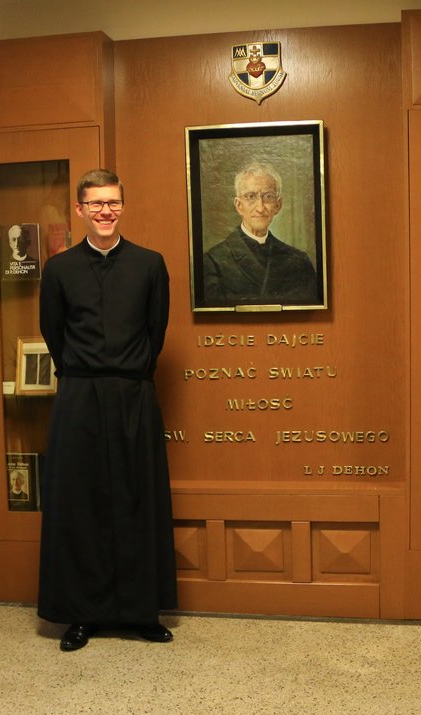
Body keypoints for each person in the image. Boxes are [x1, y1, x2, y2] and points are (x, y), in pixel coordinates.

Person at [37, 169, 177, 652]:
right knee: (81, 503)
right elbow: (54, 334)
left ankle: (141, 612)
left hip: (134, 393)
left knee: (139, 499)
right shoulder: (59, 270)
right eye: (95, 203)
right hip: (78, 395)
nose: (105, 211)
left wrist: (125, 374)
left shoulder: (149, 265)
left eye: (113, 202)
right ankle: (83, 615)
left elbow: (156, 333)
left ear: (122, 206)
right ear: (80, 210)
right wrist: (86, 374)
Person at [201, 161, 318, 306]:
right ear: (239, 205)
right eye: (251, 196)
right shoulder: (213, 262)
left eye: (268, 197)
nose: (260, 208)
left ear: (278, 205)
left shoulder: (299, 262)